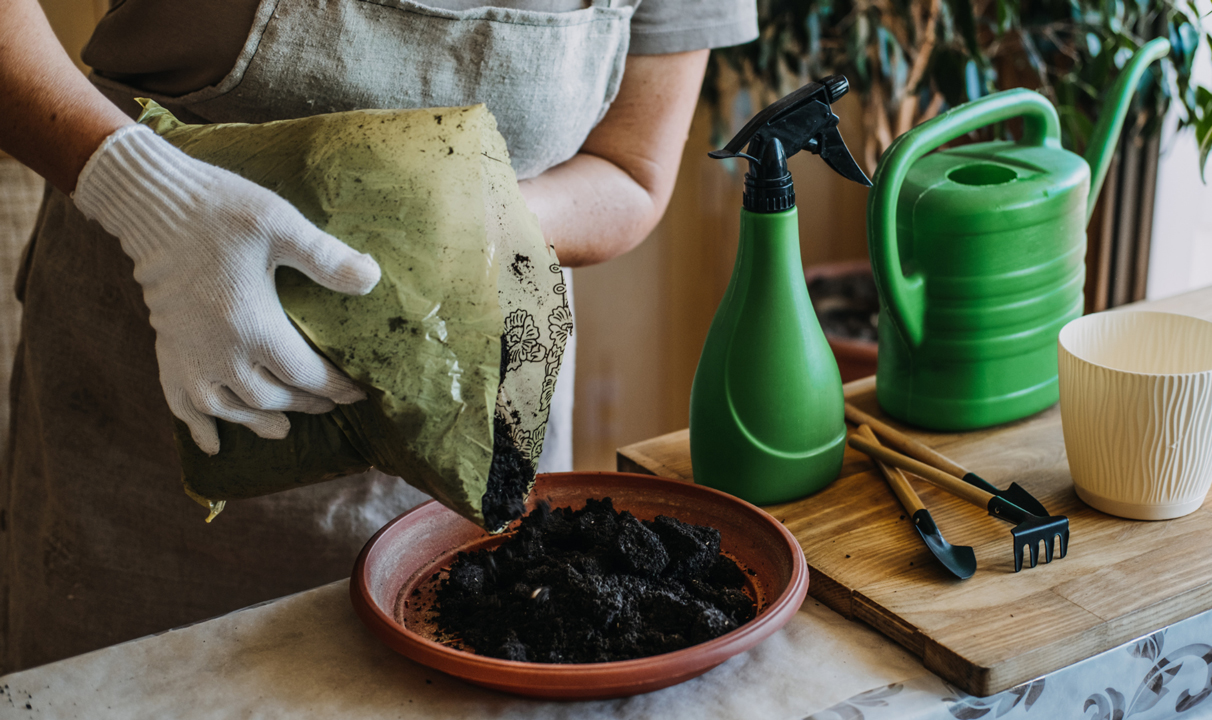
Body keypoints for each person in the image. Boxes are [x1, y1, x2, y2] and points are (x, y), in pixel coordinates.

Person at [0, 0, 757, 671]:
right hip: (153, 410)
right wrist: (133, 185)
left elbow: (631, 172)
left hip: (477, 415)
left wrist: (451, 220)